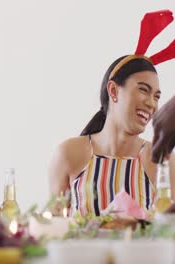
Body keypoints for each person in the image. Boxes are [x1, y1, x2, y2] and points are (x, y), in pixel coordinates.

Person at [49, 10, 175, 217]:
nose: (151, 103)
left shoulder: (163, 162)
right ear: (114, 91)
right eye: (143, 89)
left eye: (157, 96)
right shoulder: (68, 155)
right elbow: (54, 229)